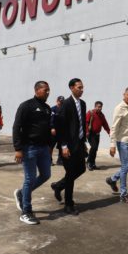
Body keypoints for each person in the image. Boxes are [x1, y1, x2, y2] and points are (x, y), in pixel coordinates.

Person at [12, 81, 53, 225]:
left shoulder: (47, 108)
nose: (48, 92)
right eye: (45, 90)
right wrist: (18, 149)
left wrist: (49, 146)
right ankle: (26, 212)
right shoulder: (26, 106)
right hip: (29, 148)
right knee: (29, 179)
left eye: (49, 90)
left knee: (46, 175)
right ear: (37, 90)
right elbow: (17, 127)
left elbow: (47, 129)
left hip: (43, 148)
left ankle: (21, 193)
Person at [51, 78, 87, 215]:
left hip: (78, 144)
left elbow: (81, 124)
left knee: (81, 169)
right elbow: (61, 127)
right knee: (71, 174)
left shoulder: (82, 104)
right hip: (68, 145)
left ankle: (58, 185)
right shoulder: (65, 104)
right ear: (71, 88)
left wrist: (84, 143)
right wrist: (64, 146)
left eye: (82, 87)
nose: (81, 90)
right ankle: (68, 204)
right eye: (79, 87)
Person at [105, 87, 128, 204]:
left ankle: (112, 179)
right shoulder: (119, 108)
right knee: (125, 166)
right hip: (122, 141)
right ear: (123, 94)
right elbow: (114, 127)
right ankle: (124, 195)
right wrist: (112, 144)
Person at [85, 101, 110, 170]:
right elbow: (86, 123)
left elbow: (105, 124)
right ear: (95, 106)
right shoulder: (90, 113)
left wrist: (109, 132)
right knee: (93, 147)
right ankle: (88, 162)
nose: (99, 108)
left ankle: (93, 163)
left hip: (97, 135)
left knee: (95, 149)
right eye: (98, 107)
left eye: (100, 107)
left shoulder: (101, 115)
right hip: (90, 134)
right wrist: (86, 132)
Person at [49, 96, 64, 166]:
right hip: (54, 131)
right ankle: (49, 160)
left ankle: (60, 160)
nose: (61, 103)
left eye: (62, 102)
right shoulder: (53, 109)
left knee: (61, 146)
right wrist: (52, 128)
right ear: (57, 101)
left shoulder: (64, 109)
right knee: (51, 146)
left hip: (61, 131)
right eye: (60, 101)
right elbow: (51, 119)